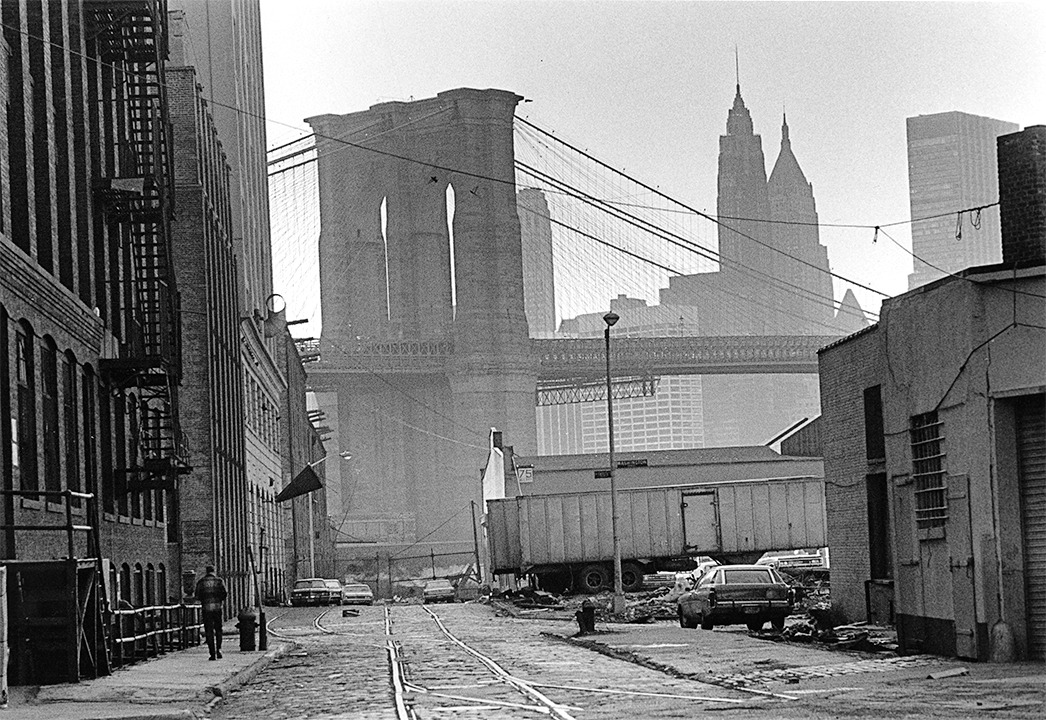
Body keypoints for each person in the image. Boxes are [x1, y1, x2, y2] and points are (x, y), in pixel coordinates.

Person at [195, 565, 228, 660]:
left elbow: (197, 595)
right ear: (214, 571)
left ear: (206, 571)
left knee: (209, 631)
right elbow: (224, 593)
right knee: (218, 629)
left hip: (206, 609)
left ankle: (212, 653)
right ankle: (219, 649)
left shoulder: (201, 582)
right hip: (217, 608)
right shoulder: (219, 581)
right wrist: (219, 600)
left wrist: (204, 600)